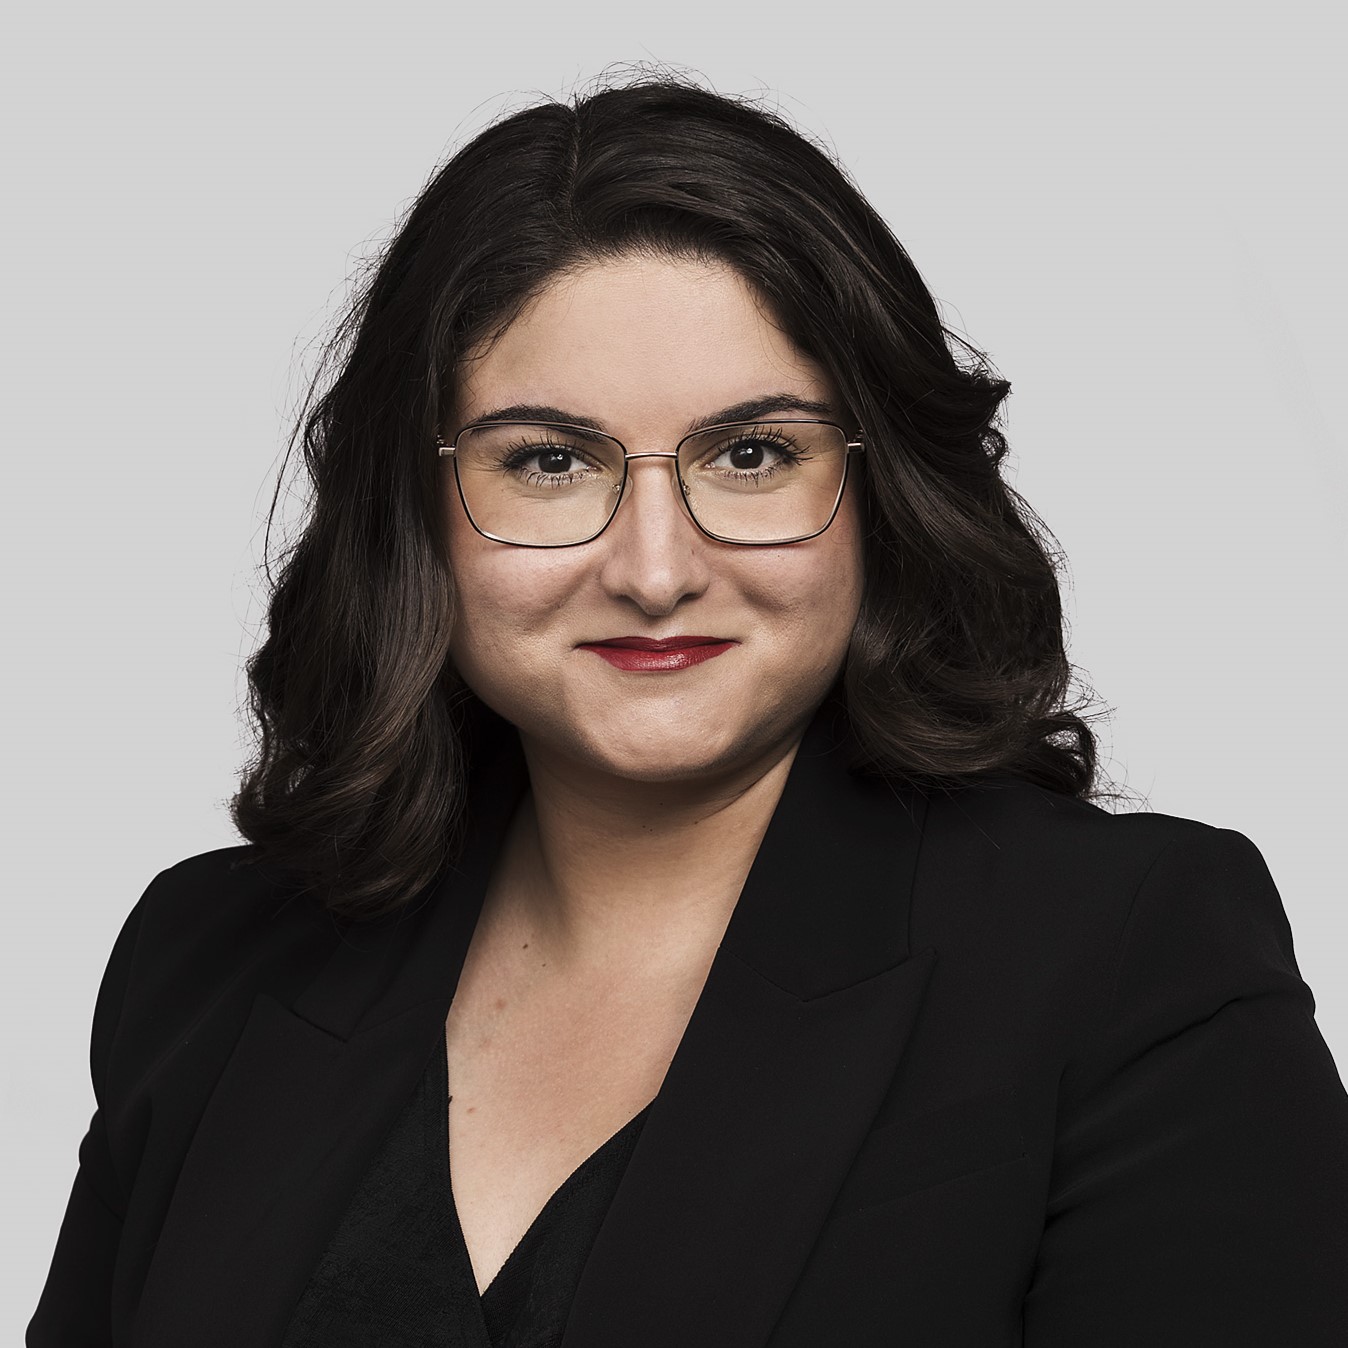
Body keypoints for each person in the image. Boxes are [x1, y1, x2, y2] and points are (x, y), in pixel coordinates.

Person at [28, 76, 1348, 1347]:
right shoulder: (208, 960)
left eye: (752, 453)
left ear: (879, 486)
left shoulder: (1130, 960)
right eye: (549, 461)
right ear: (415, 510)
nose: (655, 570)